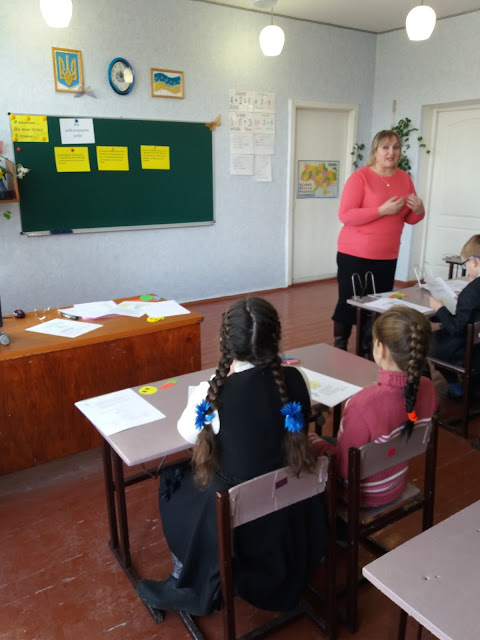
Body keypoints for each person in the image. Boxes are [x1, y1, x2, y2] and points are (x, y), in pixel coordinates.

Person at [136, 296, 329, 615]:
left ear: (224, 343)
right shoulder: (297, 378)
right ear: (275, 338)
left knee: (175, 482)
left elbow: (187, 433)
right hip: (291, 510)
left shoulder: (213, 392)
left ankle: (186, 583)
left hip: (241, 523)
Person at [311, 306, 437, 507]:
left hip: (359, 495)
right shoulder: (428, 387)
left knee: (309, 444)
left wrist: (316, 443)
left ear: (382, 349)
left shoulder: (362, 405)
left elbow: (344, 469)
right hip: (396, 483)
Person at [333, 129, 425, 354]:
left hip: (387, 254)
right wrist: (381, 210)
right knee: (349, 301)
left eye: (396, 147)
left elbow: (410, 218)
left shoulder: (404, 178)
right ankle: (340, 346)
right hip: (354, 253)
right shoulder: (360, 177)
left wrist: (419, 209)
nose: (391, 152)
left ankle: (368, 350)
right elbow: (346, 215)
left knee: (378, 304)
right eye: (385, 147)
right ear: (375, 151)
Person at [429, 234, 480, 398]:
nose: (466, 269)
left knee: (429, 341)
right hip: (477, 341)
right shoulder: (472, 291)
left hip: (470, 350)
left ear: (474, 261)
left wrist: (440, 308)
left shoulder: (472, 291)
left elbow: (455, 328)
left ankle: (454, 387)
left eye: (465, 264)